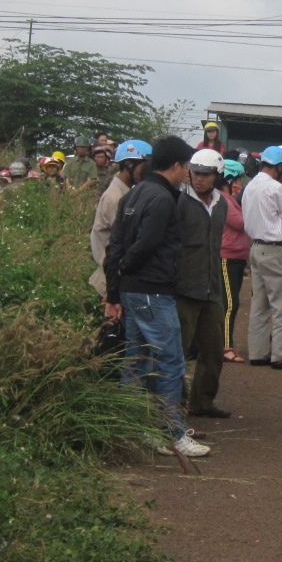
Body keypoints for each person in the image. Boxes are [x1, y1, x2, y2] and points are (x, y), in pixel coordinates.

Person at [104, 136, 208, 459]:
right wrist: (125, 269)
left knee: (137, 360)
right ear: (176, 166)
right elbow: (144, 246)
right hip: (152, 291)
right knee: (170, 360)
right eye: (187, 166)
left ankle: (133, 430)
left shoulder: (135, 193)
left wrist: (115, 286)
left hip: (133, 291)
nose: (188, 173)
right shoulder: (163, 199)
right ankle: (174, 432)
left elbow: (115, 244)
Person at [174, 149, 232, 421]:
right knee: (179, 351)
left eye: (205, 175)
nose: (199, 179)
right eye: (195, 173)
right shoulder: (180, 201)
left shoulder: (221, 204)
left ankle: (202, 403)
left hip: (212, 288)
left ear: (216, 176)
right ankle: (174, 407)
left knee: (213, 351)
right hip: (185, 288)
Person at [242, 146, 282, 370]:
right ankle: (280, 355)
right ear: (278, 166)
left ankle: (258, 353)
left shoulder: (249, 186)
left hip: (256, 248)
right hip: (274, 250)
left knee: (259, 304)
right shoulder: (276, 189)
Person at [89, 140, 148, 306]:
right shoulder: (116, 198)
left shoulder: (126, 192)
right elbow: (124, 243)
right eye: (143, 166)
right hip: (112, 281)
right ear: (129, 165)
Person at [219, 163, 250, 365]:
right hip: (227, 256)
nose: (239, 184)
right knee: (230, 304)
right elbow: (241, 223)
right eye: (238, 180)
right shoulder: (224, 200)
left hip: (237, 256)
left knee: (230, 302)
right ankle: (225, 347)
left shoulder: (229, 199)